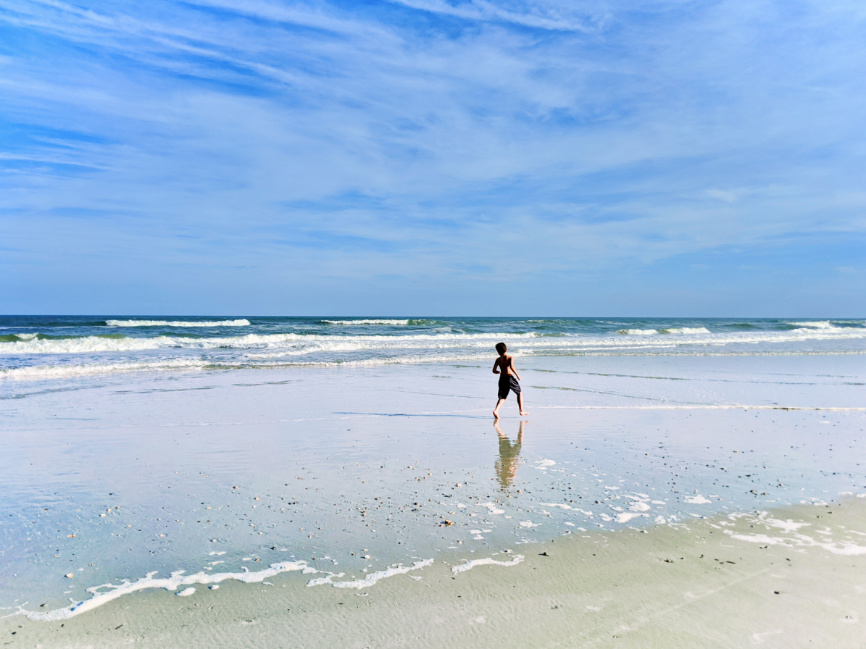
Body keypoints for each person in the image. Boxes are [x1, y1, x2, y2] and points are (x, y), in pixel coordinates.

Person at [492, 342, 528, 418]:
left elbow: (494, 370)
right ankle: (521, 411)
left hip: (502, 379)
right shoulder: (510, 357)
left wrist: (499, 371)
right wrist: (517, 375)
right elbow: (512, 367)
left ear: (498, 352)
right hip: (509, 378)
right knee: (519, 393)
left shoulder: (498, 359)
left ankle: (496, 410)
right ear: (506, 349)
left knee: (502, 396)